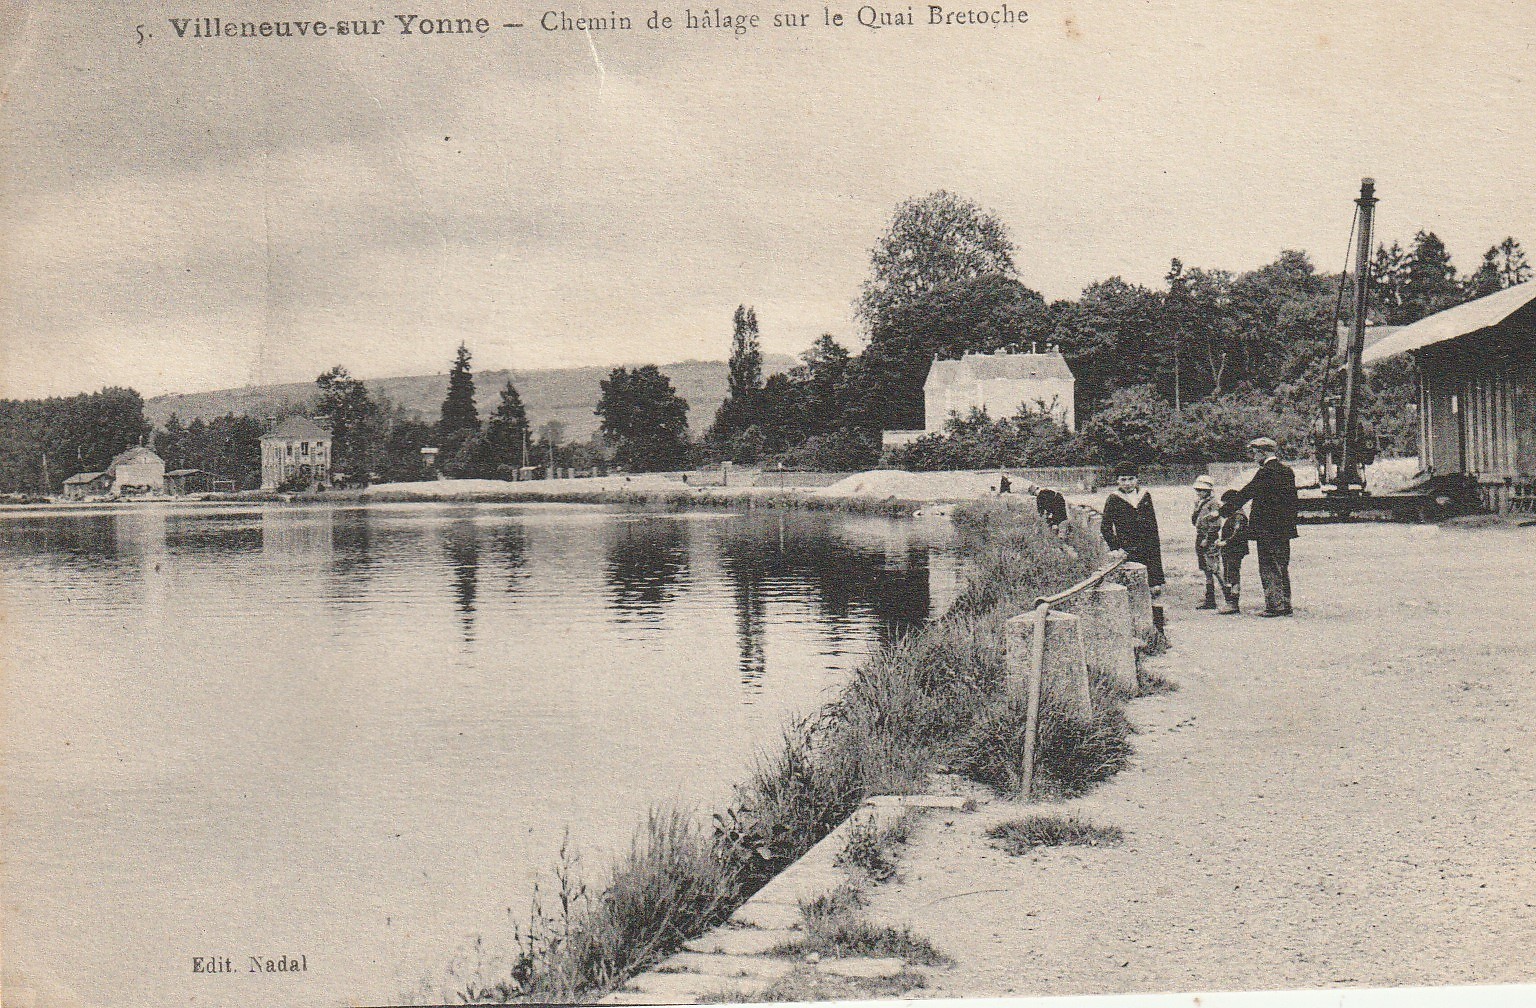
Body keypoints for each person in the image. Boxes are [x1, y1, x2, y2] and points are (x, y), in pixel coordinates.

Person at [1228, 436, 1298, 616]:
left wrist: (1223, 511)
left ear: (1263, 452)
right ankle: (1285, 603)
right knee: (1282, 565)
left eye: (1255, 452)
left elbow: (1246, 493)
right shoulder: (1287, 471)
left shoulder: (1265, 472)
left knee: (1268, 566)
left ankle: (1275, 606)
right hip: (1284, 529)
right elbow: (1293, 502)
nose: (1253, 456)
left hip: (1267, 529)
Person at [1101, 462, 1165, 591]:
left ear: (1137, 479)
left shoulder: (1145, 495)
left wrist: (1154, 543)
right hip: (1127, 546)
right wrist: (1115, 547)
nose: (1127, 483)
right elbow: (1105, 526)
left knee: (1153, 586)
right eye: (1123, 479)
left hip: (1148, 545)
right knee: (1133, 583)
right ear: (1117, 481)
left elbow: (1152, 523)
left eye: (1131, 479)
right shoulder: (1114, 498)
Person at [1212, 489, 1249, 614]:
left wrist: (1225, 542)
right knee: (1229, 574)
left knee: (1233, 576)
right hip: (1230, 550)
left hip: (1235, 550)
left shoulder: (1239, 517)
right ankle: (1231, 602)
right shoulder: (1234, 515)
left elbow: (1237, 534)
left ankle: (1233, 603)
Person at [1190, 474, 1221, 609]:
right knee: (1206, 569)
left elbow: (1216, 524)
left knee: (1214, 568)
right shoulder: (1199, 503)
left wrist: (1207, 538)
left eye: (1202, 490)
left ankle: (1229, 596)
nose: (1199, 493)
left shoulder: (1213, 503)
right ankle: (1210, 599)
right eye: (1198, 490)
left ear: (1209, 491)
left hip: (1209, 537)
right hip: (1200, 535)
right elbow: (1194, 522)